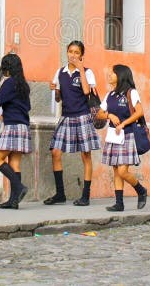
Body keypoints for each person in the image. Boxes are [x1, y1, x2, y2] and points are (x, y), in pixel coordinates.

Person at [45, 40, 101, 206]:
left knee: (85, 155)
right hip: (66, 116)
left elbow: (86, 91)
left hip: (83, 116)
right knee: (55, 152)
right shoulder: (60, 72)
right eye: (71, 51)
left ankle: (86, 196)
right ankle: (60, 193)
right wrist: (55, 90)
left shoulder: (88, 72)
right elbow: (58, 98)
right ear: (67, 52)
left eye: (77, 52)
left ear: (82, 55)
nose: (73, 55)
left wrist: (81, 69)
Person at [98, 64, 148, 212]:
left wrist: (123, 123)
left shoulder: (131, 93)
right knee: (115, 170)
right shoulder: (109, 95)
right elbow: (100, 114)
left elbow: (139, 112)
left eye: (112, 73)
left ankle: (141, 190)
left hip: (127, 135)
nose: (109, 75)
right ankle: (119, 203)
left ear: (120, 76)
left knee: (122, 171)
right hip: (113, 136)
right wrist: (109, 115)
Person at [0, 53, 31, 209]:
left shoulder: (9, 83)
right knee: (14, 163)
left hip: (13, 126)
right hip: (23, 126)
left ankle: (19, 187)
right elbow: (27, 107)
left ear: (7, 68)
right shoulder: (23, 85)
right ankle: (13, 201)